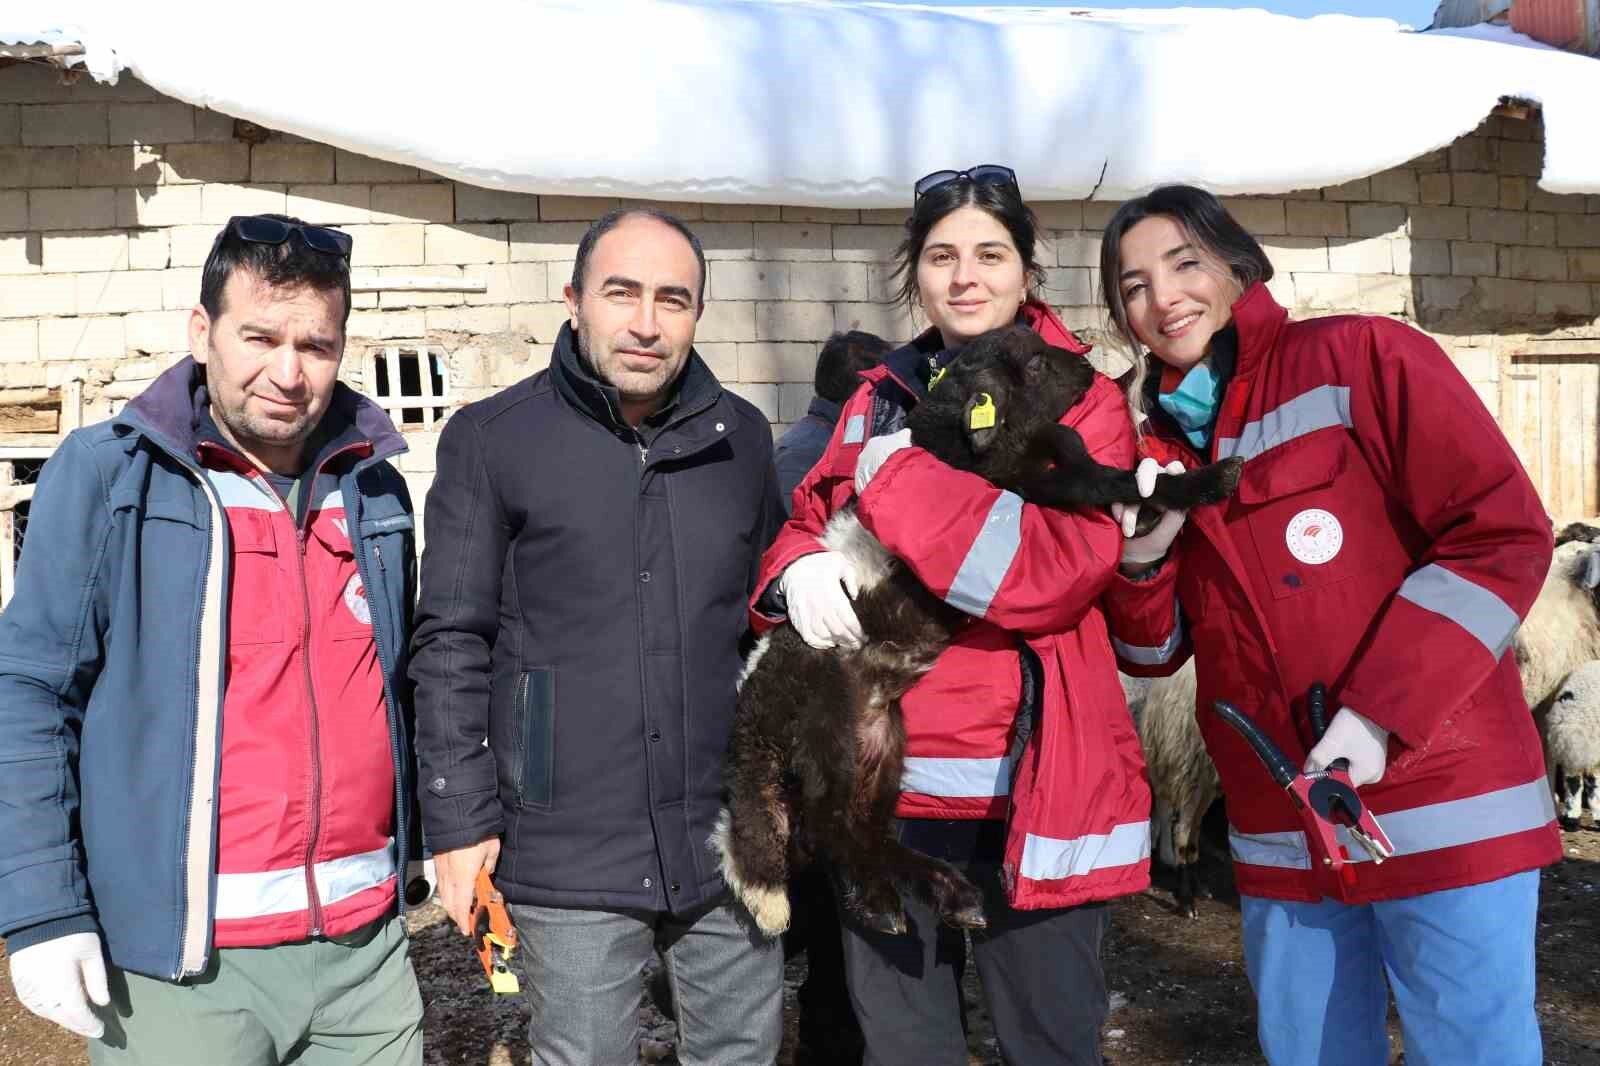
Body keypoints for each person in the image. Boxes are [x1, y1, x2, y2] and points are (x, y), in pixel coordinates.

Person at [1099, 184, 1559, 1066]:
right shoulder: (1154, 451)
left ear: (1239, 269)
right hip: (1280, 822)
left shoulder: (1362, 358)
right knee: (1310, 1051)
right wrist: (1145, 557)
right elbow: (1154, 654)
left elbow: (1498, 535)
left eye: (1184, 264)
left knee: (1471, 1048)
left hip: (1440, 800)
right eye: (1132, 286)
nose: (1163, 299)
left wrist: (1378, 715)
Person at [0, 214, 425, 1065]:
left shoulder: (374, 487)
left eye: (316, 344)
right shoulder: (113, 474)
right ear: (203, 332)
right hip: (183, 965)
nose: (288, 371)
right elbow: (30, 690)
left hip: (367, 955)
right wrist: (42, 909)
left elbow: (399, 686)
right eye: (259, 337)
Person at [752, 166, 1152, 1066]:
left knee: (1048, 1044)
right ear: (915, 274)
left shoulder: (1078, 398)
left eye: (988, 254)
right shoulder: (879, 394)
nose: (964, 277)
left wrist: (898, 483)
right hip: (883, 790)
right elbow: (809, 519)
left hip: (1029, 790)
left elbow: (1054, 572)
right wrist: (796, 573)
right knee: (902, 1048)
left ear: (1025, 271)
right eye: (941, 256)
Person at [410, 207, 786, 1066]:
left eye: (673, 300)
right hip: (566, 845)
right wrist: (459, 820)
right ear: (575, 299)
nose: (647, 323)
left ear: (698, 313)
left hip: (725, 841)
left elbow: (766, 626)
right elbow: (451, 641)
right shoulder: (496, 440)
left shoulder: (741, 441)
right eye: (622, 293)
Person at [774, 330, 891, 508]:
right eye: (888, 387)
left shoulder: (843, 439)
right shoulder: (801, 456)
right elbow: (789, 530)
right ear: (863, 389)